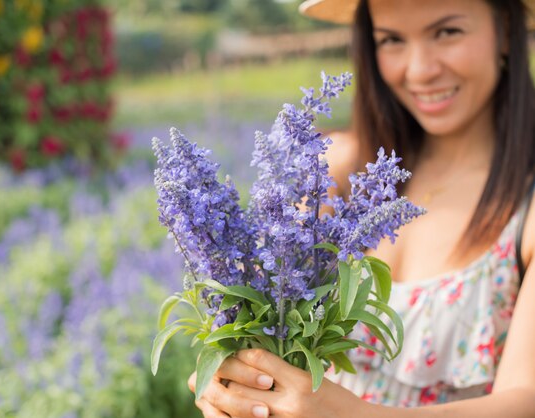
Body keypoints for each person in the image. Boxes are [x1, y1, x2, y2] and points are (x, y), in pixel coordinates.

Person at [187, 0, 535, 416]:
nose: (420, 69)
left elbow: (525, 401)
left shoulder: (525, 212)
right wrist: (233, 383)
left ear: (507, 32)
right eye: (391, 40)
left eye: (447, 32)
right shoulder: (334, 171)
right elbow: (259, 311)